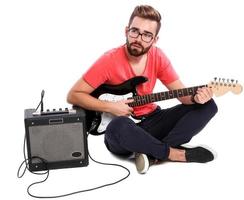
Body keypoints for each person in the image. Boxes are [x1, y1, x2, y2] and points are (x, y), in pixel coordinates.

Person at [67, 5, 218, 174]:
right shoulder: (109, 60)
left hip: (153, 121)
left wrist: (197, 99)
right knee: (118, 125)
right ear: (126, 31)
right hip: (122, 131)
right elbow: (74, 95)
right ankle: (174, 153)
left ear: (155, 40)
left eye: (147, 35)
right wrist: (110, 107)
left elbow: (183, 96)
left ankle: (154, 154)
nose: (139, 38)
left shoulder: (158, 56)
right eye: (135, 31)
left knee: (209, 106)